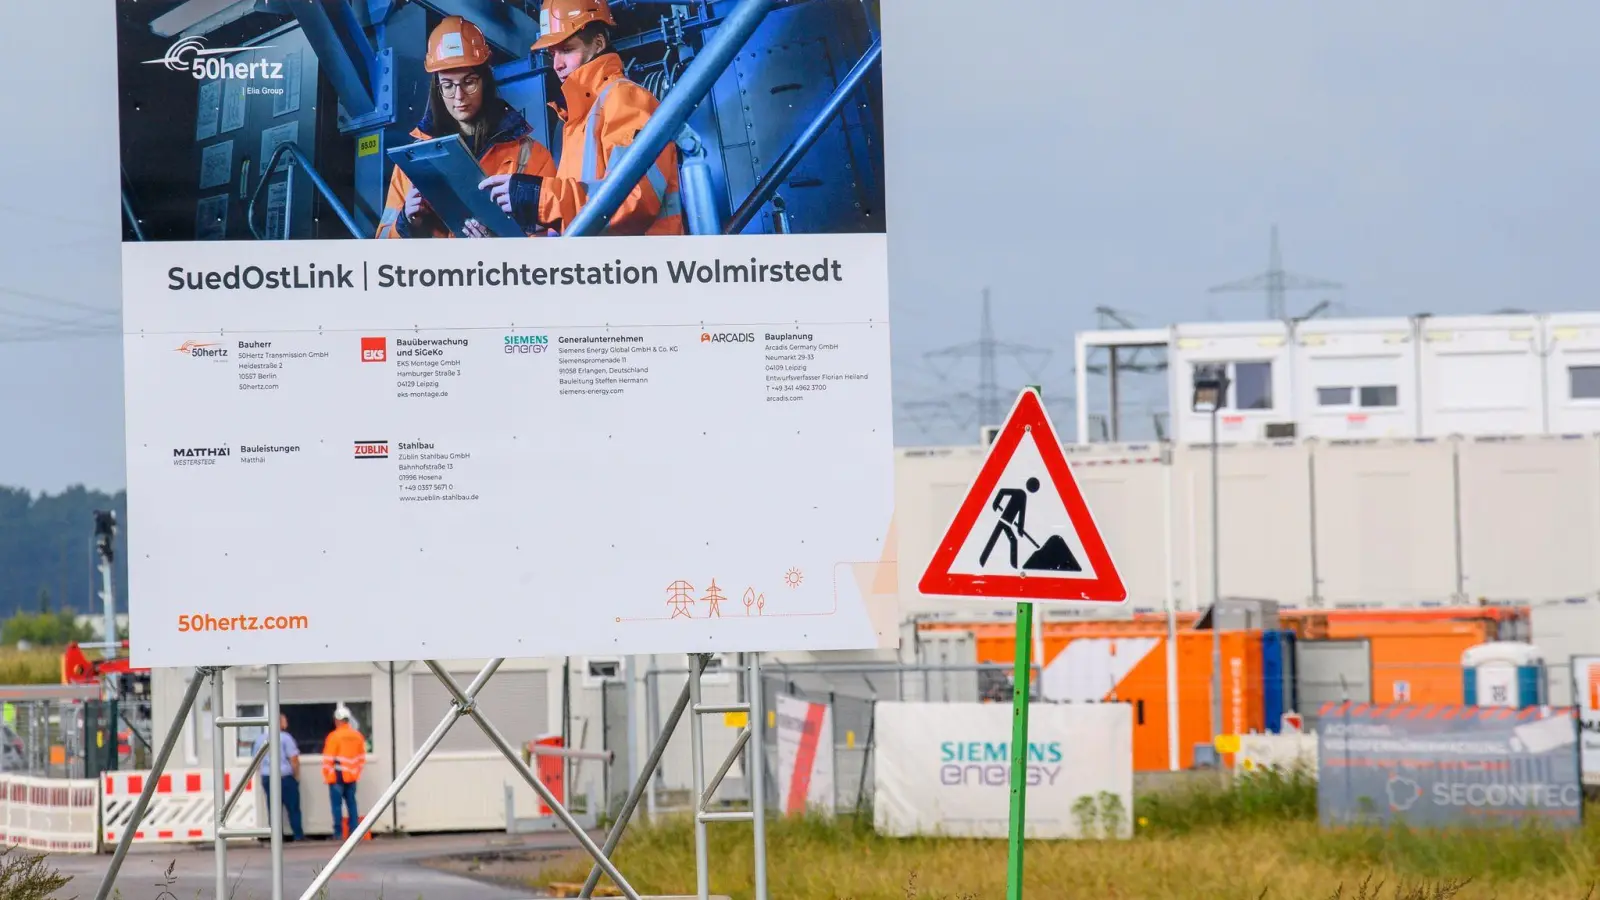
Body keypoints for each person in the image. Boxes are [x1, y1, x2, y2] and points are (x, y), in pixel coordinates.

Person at [498, 0, 684, 236]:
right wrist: (535, 222)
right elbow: (577, 212)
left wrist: (542, 198)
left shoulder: (625, 98)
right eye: (552, 53)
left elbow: (633, 199)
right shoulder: (576, 120)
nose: (557, 65)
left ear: (598, 43)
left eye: (567, 50)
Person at [376, 16, 557, 239]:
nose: (459, 96)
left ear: (485, 81)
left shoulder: (531, 156)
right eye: (448, 86)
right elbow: (382, 246)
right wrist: (406, 222)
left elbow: (551, 247)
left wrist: (501, 246)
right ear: (437, 88)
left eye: (469, 82)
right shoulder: (414, 159)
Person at [250, 714, 304, 842]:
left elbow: (256, 761)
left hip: (268, 776)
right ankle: (298, 835)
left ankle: (277, 837)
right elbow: (294, 759)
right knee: (293, 807)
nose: (286, 724)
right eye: (285, 721)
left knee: (273, 808)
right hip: (284, 777)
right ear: (279, 722)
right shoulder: (286, 738)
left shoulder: (260, 739)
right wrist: (296, 776)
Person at [322, 704, 366, 839]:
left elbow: (328, 758)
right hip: (351, 776)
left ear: (338, 720)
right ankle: (355, 832)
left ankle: (338, 833)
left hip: (337, 776)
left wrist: (328, 776)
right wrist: (356, 772)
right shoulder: (358, 736)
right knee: (352, 804)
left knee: (337, 806)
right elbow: (361, 757)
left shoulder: (334, 736)